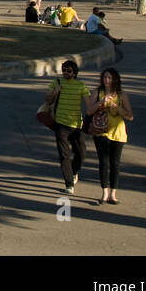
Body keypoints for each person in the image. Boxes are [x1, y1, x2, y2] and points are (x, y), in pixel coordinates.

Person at [86, 68, 133, 205]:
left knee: (115, 163)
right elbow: (89, 110)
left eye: (110, 78)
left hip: (118, 131)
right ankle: (104, 192)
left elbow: (130, 116)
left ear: (115, 80)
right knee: (104, 162)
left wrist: (117, 107)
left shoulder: (122, 95)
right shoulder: (97, 92)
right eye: (105, 77)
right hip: (101, 131)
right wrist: (101, 101)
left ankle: (113, 193)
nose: (107, 80)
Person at [44, 59, 89, 194]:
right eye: (64, 70)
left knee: (81, 153)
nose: (65, 73)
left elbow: (88, 104)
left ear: (75, 73)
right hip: (61, 124)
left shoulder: (81, 85)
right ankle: (69, 184)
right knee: (64, 155)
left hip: (76, 125)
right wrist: (55, 91)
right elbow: (47, 99)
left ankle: (74, 172)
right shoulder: (57, 83)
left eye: (69, 71)